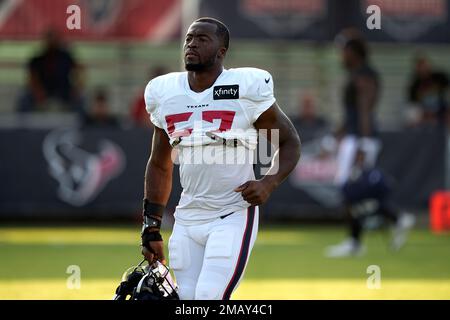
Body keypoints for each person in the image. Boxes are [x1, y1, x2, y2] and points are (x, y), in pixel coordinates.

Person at [139, 17, 301, 300]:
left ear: (221, 51)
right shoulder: (165, 93)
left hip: (232, 214)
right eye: (189, 38)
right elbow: (159, 163)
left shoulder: (244, 88)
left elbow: (289, 142)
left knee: (208, 298)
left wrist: (269, 183)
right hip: (187, 217)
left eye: (202, 39)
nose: (192, 44)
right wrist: (151, 226)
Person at [325, 147, 415, 258]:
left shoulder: (373, 173)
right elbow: (346, 191)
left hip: (374, 204)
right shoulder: (354, 172)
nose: (359, 159)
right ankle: (355, 242)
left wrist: (368, 195)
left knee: (370, 206)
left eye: (361, 156)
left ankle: (397, 219)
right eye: (357, 156)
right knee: (353, 211)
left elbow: (385, 188)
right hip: (362, 205)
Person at [333, 35, 382, 186]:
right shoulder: (355, 75)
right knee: (348, 186)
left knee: (351, 186)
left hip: (359, 139)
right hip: (355, 136)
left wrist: (364, 143)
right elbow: (352, 112)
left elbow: (365, 110)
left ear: (352, 52)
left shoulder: (363, 77)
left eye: (343, 52)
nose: (341, 56)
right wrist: (337, 134)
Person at [16, 29, 85, 113]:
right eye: (49, 39)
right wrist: (37, 91)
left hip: (64, 91)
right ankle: (24, 125)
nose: (52, 42)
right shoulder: (38, 59)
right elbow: (32, 78)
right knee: (24, 100)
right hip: (44, 91)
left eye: (54, 39)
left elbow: (80, 70)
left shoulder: (66, 57)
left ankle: (80, 125)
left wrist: (76, 88)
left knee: (81, 99)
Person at [407, 55, 449, 127]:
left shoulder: (439, 77)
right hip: (425, 112)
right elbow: (413, 104)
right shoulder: (415, 84)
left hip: (442, 108)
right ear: (417, 69)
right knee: (412, 115)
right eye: (420, 67)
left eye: (425, 66)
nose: (423, 69)